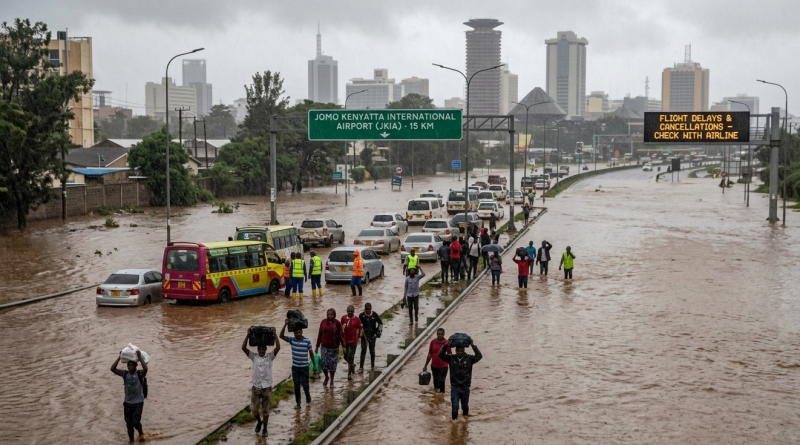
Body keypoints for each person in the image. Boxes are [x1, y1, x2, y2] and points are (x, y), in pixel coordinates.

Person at [241, 327, 280, 437]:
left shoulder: (269, 356)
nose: (262, 350)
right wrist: (248, 334)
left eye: (263, 348)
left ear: (266, 348)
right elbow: (243, 347)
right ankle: (259, 421)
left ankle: (265, 429)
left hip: (267, 387)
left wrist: (275, 334)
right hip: (256, 387)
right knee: (254, 410)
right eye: (260, 348)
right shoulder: (254, 356)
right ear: (257, 349)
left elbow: (278, 347)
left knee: (266, 411)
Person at [438, 337, 482, 421]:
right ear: (455, 351)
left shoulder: (469, 358)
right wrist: (446, 345)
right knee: (455, 408)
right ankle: (454, 423)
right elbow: (440, 355)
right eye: (458, 351)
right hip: (455, 388)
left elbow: (479, 356)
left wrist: (473, 345)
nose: (460, 353)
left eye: (462, 351)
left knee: (465, 407)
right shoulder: (451, 358)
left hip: (465, 388)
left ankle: (465, 423)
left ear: (464, 350)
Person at [110, 349, 148, 442]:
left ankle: (141, 432)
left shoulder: (139, 373)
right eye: (129, 365)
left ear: (135, 366)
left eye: (132, 365)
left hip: (138, 403)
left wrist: (139, 356)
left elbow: (145, 369)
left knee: (136, 423)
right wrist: (120, 357)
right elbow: (112, 369)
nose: (130, 367)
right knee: (129, 425)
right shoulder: (125, 374)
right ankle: (131, 441)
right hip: (127, 403)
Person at [279, 319, 314, 409]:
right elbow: (281, 336)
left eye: (299, 332)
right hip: (295, 368)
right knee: (296, 386)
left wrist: (313, 365)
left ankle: (308, 398)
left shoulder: (307, 341)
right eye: (296, 333)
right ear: (294, 333)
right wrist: (285, 324)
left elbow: (311, 353)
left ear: (302, 332)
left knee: (305, 385)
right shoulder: (292, 340)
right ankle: (298, 403)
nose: (298, 334)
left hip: (304, 367)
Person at [315, 308, 344, 387]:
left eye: (331, 314)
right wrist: (317, 346)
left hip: (334, 347)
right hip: (324, 346)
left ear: (334, 315)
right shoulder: (323, 322)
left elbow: (341, 335)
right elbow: (320, 334)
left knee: (332, 365)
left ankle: (332, 380)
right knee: (324, 364)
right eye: (328, 314)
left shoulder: (337, 323)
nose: (330, 316)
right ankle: (326, 377)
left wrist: (343, 345)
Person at [422, 328, 451, 394]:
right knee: (435, 381)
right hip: (434, 366)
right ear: (436, 334)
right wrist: (425, 365)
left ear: (444, 334)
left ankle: (442, 395)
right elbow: (430, 354)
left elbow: (450, 355)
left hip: (444, 366)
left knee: (441, 380)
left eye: (441, 334)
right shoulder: (433, 342)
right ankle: (436, 396)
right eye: (438, 334)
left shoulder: (446, 343)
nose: (440, 335)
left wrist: (452, 365)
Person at [359, 302, 383, 371]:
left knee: (372, 351)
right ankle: (361, 367)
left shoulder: (374, 315)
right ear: (364, 309)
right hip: (364, 336)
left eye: (369, 309)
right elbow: (358, 325)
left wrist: (378, 333)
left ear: (371, 309)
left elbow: (380, 323)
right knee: (363, 350)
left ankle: (372, 366)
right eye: (366, 309)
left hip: (373, 336)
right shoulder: (361, 316)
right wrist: (360, 334)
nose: (367, 310)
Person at [341, 305, 362, 380]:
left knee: (350, 356)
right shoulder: (343, 318)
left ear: (354, 311)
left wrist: (359, 337)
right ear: (347, 311)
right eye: (349, 311)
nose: (350, 312)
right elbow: (341, 328)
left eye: (351, 311)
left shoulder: (357, 319)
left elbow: (360, 328)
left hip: (353, 340)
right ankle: (352, 365)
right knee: (345, 357)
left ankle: (349, 374)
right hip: (345, 340)